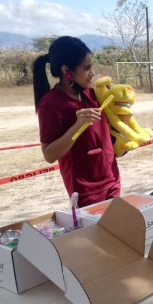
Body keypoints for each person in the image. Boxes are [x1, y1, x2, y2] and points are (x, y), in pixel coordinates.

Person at [32, 36, 120, 208]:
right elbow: (49, 155)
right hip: (86, 189)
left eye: (92, 67)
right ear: (67, 71)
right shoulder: (51, 104)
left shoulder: (91, 94)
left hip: (112, 178)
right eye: (87, 68)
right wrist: (77, 126)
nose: (92, 73)